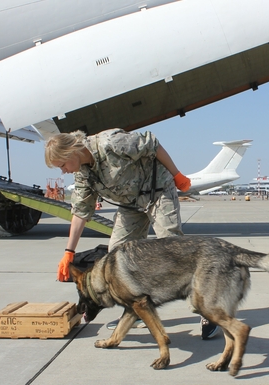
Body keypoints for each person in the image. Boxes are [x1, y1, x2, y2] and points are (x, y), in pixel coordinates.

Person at [44, 128, 219, 339]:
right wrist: (69, 252)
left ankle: (208, 310)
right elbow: (81, 212)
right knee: (116, 258)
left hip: (157, 192)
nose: (63, 171)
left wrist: (177, 174)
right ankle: (137, 309)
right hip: (131, 205)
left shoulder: (111, 143)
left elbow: (152, 144)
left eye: (62, 165)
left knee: (174, 253)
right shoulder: (83, 173)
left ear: (71, 152)